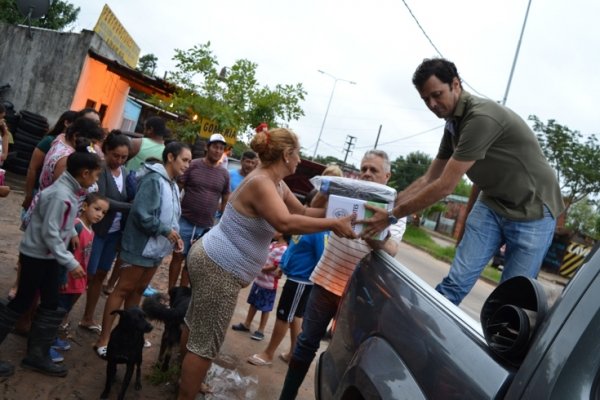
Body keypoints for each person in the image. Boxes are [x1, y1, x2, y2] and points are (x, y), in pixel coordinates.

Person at [361, 58, 564, 305]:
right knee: (455, 284)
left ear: (456, 84)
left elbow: (445, 185)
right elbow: (429, 177)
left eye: (437, 95)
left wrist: (392, 215)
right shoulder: (452, 125)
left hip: (533, 210)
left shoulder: (481, 118)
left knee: (512, 300)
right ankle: (423, 338)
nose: (433, 104)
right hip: (493, 203)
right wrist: (386, 206)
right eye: (426, 100)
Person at [177, 127, 356, 399]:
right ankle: (185, 392)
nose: (299, 160)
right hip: (218, 267)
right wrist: (333, 223)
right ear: (286, 154)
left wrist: (344, 213)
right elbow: (285, 222)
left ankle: (184, 379)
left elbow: (304, 212)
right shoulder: (262, 182)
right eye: (298, 154)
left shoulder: (276, 184)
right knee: (205, 342)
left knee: (196, 325)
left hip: (213, 260)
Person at [279, 150, 406, 399]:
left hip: (358, 294)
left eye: (374, 170)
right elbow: (311, 209)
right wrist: (327, 192)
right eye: (364, 168)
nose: (367, 174)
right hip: (326, 280)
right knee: (306, 343)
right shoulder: (345, 193)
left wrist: (378, 230)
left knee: (343, 355)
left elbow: (391, 250)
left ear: (387, 176)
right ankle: (286, 396)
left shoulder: (394, 212)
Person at [0, 142, 102, 378]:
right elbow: (50, 233)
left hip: (46, 255)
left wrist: (72, 235)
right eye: (95, 175)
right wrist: (70, 261)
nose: (95, 181)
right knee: (21, 302)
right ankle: (37, 355)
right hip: (39, 255)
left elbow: (57, 226)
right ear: (84, 173)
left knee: (49, 302)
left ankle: (37, 355)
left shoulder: (67, 191)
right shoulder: (62, 196)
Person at [94, 142, 191, 359]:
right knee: (122, 289)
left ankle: (131, 333)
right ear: (170, 158)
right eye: (184, 160)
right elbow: (141, 213)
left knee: (138, 290)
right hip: (140, 245)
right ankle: (105, 338)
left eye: (189, 161)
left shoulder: (173, 185)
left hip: (155, 249)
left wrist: (174, 236)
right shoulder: (154, 180)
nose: (187, 165)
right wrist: (165, 230)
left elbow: (171, 216)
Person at [247, 165, 343, 367]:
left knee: (284, 316)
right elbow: (294, 246)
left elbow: (321, 257)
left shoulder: (321, 227)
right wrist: (283, 264)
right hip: (294, 277)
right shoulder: (308, 221)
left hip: (301, 280)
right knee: (294, 316)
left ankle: (269, 354)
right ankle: (293, 353)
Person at [79, 131, 132, 333]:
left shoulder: (125, 173)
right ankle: (66, 316)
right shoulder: (100, 169)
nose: (119, 160)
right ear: (106, 151)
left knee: (100, 275)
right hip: (99, 230)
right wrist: (129, 207)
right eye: (115, 156)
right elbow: (103, 201)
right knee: (87, 274)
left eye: (123, 157)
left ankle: (87, 317)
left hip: (114, 232)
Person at [167, 133, 230, 290]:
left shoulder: (224, 173)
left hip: (205, 226)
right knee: (177, 257)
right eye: (215, 147)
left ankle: (180, 296)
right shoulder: (193, 165)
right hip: (185, 220)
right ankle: (170, 291)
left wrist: (222, 219)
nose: (217, 151)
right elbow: (179, 186)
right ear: (207, 147)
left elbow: (225, 195)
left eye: (221, 148)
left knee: (192, 262)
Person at [55, 192, 109, 352]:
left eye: (104, 212)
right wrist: (63, 277)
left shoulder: (91, 230)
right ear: (85, 206)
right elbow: (66, 252)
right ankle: (46, 341)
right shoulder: (77, 226)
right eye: (97, 209)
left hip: (76, 278)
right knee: (57, 309)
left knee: (64, 309)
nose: (99, 215)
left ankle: (52, 337)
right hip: (67, 278)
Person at [231, 232, 289, 341]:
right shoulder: (273, 244)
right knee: (253, 303)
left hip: (269, 284)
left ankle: (261, 329)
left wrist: (260, 268)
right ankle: (247, 323)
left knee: (265, 308)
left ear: (281, 233)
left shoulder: (283, 249)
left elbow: (275, 266)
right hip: (259, 280)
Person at [21, 110, 78, 211]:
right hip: (39, 191)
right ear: (66, 123)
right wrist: (29, 195)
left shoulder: (75, 148)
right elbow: (32, 168)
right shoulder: (49, 141)